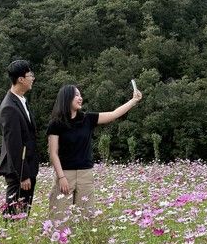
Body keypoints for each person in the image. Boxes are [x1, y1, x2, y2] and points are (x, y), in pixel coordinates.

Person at [46, 84, 142, 217]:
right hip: (65, 175)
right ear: (66, 98)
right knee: (59, 217)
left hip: (86, 174)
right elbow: (53, 153)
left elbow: (113, 114)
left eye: (80, 95)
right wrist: (61, 177)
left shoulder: (87, 119)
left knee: (87, 217)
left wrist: (133, 101)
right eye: (76, 95)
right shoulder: (56, 124)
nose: (80, 98)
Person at [0, 59, 38, 216]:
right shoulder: (9, 107)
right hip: (18, 172)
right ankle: (8, 240)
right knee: (15, 215)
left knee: (22, 213)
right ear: (21, 79)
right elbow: (14, 145)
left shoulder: (21, 101)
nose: (32, 78)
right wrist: (23, 175)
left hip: (26, 167)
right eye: (30, 75)